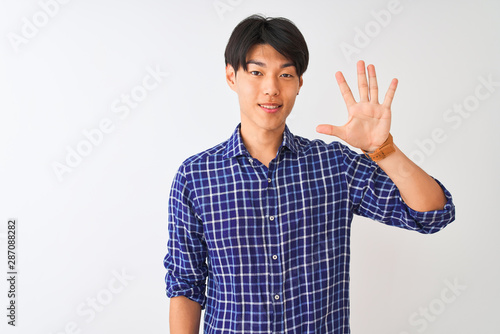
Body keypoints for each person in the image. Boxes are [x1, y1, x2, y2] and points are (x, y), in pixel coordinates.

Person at [163, 14, 455, 334]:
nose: (271, 88)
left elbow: (432, 215)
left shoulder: (334, 166)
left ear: (299, 83)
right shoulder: (196, 176)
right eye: (257, 72)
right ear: (232, 77)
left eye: (285, 74)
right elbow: (185, 284)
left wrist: (383, 149)